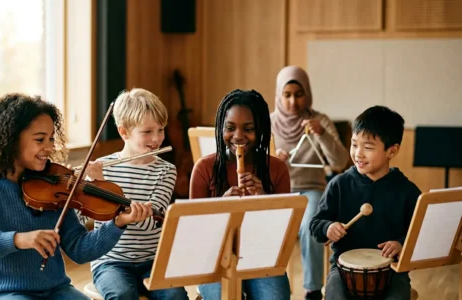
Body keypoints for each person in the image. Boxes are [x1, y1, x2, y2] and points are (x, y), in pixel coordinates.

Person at [0, 93, 152, 300]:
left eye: (51, 139)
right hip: (6, 293)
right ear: (11, 139)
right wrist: (17, 239)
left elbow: (79, 249)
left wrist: (117, 224)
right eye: (40, 139)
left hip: (57, 291)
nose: (50, 147)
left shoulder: (55, 186)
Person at [80, 88, 188, 300]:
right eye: (147, 132)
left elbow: (152, 222)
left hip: (153, 260)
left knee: (175, 296)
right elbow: (83, 219)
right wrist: (89, 186)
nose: (156, 138)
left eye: (160, 129)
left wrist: (104, 186)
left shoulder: (166, 171)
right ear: (124, 132)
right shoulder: (102, 169)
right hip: (111, 261)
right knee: (122, 295)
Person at [309, 105, 421, 300]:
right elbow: (315, 225)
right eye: (354, 144)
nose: (358, 153)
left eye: (367, 147)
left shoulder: (407, 191)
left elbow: (421, 234)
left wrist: (402, 244)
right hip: (343, 271)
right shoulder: (339, 185)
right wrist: (328, 227)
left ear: (392, 151)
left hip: (392, 270)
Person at [190, 89, 292, 300]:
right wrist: (220, 208)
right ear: (220, 128)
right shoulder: (204, 168)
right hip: (215, 259)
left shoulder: (277, 169)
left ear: (261, 130)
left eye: (249, 129)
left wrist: (264, 199)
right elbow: (194, 233)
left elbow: (284, 236)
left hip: (260, 256)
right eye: (230, 128)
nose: (237, 136)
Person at [271, 65, 349, 299]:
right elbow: (255, 165)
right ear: (278, 95)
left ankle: (312, 289)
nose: (293, 101)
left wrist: (321, 135)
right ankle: (269, 285)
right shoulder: (269, 123)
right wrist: (273, 160)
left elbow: (340, 161)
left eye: (299, 94)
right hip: (277, 191)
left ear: (308, 94)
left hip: (312, 189)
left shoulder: (320, 120)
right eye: (287, 95)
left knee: (310, 226)